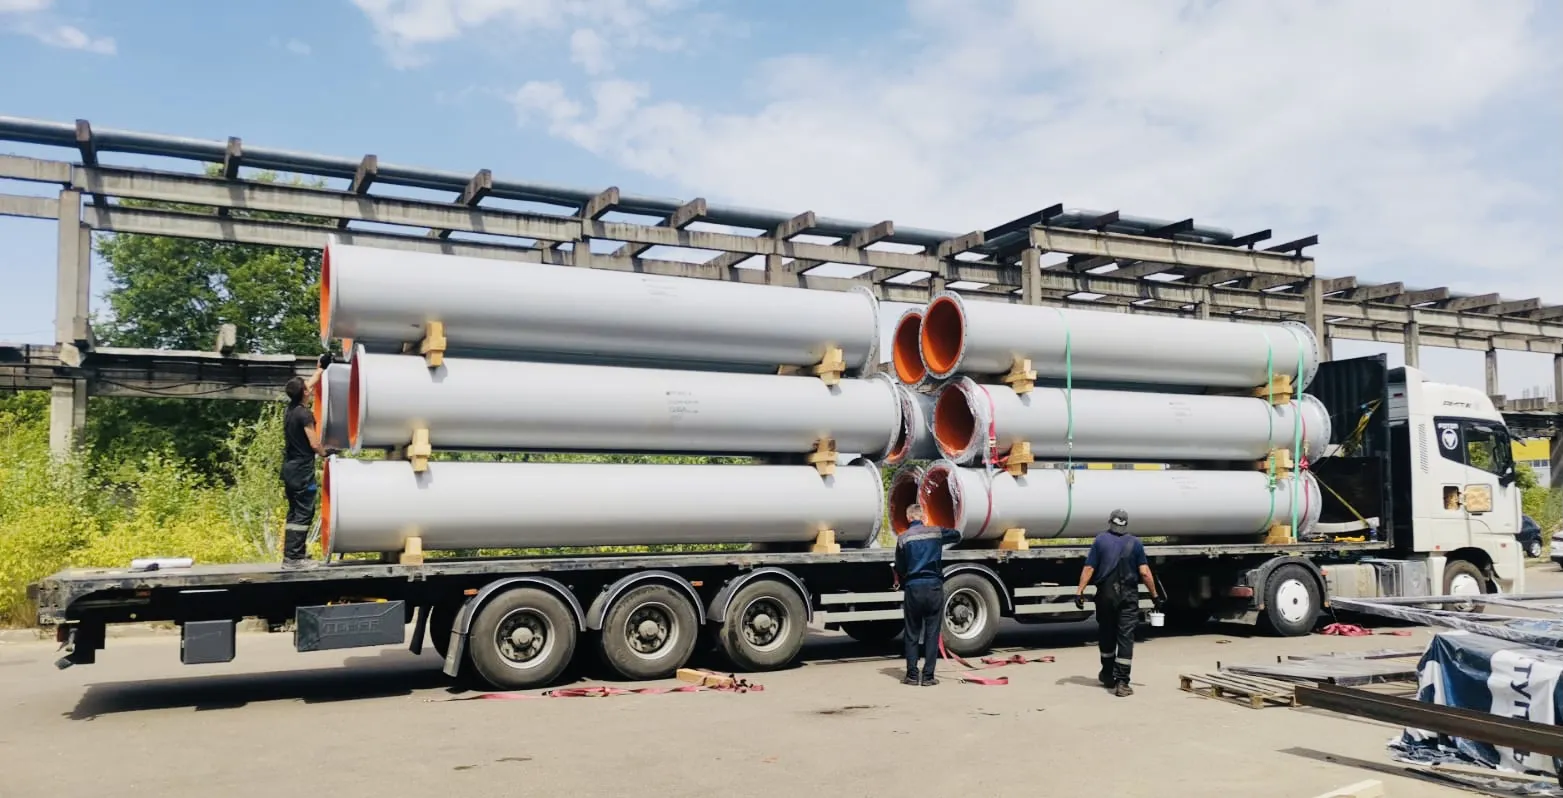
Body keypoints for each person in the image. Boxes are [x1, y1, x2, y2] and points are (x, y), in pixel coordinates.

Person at [1074, 509, 1162, 697]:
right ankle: (1122, 682)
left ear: (1110, 522)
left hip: (1105, 596)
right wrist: (1154, 595)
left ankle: (1107, 674)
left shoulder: (1100, 540)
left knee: (1106, 633)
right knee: (1125, 637)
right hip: (1128, 596)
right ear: (1126, 524)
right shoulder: (1135, 543)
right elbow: (1145, 572)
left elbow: (1089, 568)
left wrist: (1080, 591)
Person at [893, 503, 962, 686]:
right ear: (923, 517)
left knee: (912, 633)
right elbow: (957, 535)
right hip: (933, 588)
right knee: (932, 633)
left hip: (913, 588)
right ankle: (928, 677)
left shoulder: (903, 538)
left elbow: (900, 567)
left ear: (908, 518)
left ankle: (912, 675)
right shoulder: (936, 532)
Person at [280, 353, 332, 569]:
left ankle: (293, 554)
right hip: (302, 471)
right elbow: (314, 443)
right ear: (304, 393)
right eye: (307, 388)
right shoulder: (305, 415)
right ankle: (294, 559)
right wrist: (326, 453)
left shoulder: (291, 410)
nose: (309, 389)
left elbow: (308, 385)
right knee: (303, 512)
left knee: (294, 512)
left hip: (290, 469)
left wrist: (321, 368)